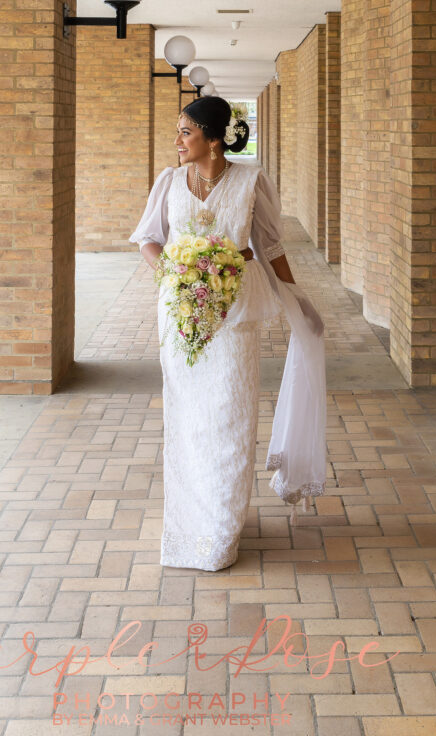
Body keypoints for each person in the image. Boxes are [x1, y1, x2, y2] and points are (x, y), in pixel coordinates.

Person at [129, 96, 327, 571]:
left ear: (214, 140)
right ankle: (189, 523)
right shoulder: (169, 182)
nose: (177, 141)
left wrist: (298, 300)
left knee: (230, 418)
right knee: (188, 418)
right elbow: (149, 240)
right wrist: (175, 275)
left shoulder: (250, 182)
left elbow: (271, 245)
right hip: (181, 316)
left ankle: (221, 528)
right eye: (178, 132)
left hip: (235, 313)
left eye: (185, 133)